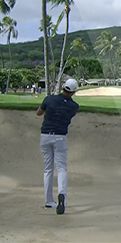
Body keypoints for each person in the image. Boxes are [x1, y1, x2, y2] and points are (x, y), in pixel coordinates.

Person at [37, 77, 80, 214]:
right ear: (73, 92)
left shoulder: (49, 99)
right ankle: (62, 194)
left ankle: (48, 201)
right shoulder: (74, 107)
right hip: (60, 137)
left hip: (45, 136)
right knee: (61, 168)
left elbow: (39, 112)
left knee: (48, 169)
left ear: (63, 87)